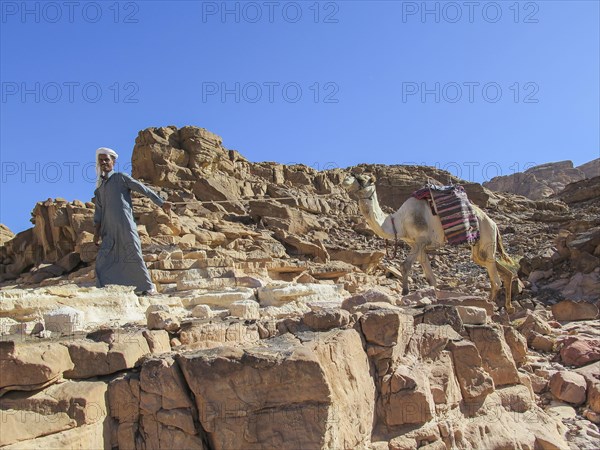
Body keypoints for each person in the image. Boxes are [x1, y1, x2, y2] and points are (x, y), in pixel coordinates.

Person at [93, 147, 171, 295]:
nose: (103, 162)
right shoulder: (99, 190)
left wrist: (161, 203)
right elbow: (98, 214)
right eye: (101, 160)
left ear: (113, 162)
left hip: (125, 225)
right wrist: (96, 234)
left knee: (133, 254)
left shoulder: (120, 178)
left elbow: (143, 189)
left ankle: (147, 288)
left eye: (106, 160)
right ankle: (108, 289)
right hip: (108, 230)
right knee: (104, 261)